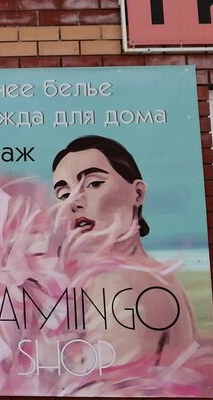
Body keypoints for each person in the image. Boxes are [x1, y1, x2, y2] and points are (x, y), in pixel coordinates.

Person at [49, 135, 200, 369]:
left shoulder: (118, 282)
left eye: (93, 184)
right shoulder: (157, 275)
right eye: (64, 194)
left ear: (138, 193)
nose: (73, 202)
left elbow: (112, 385)